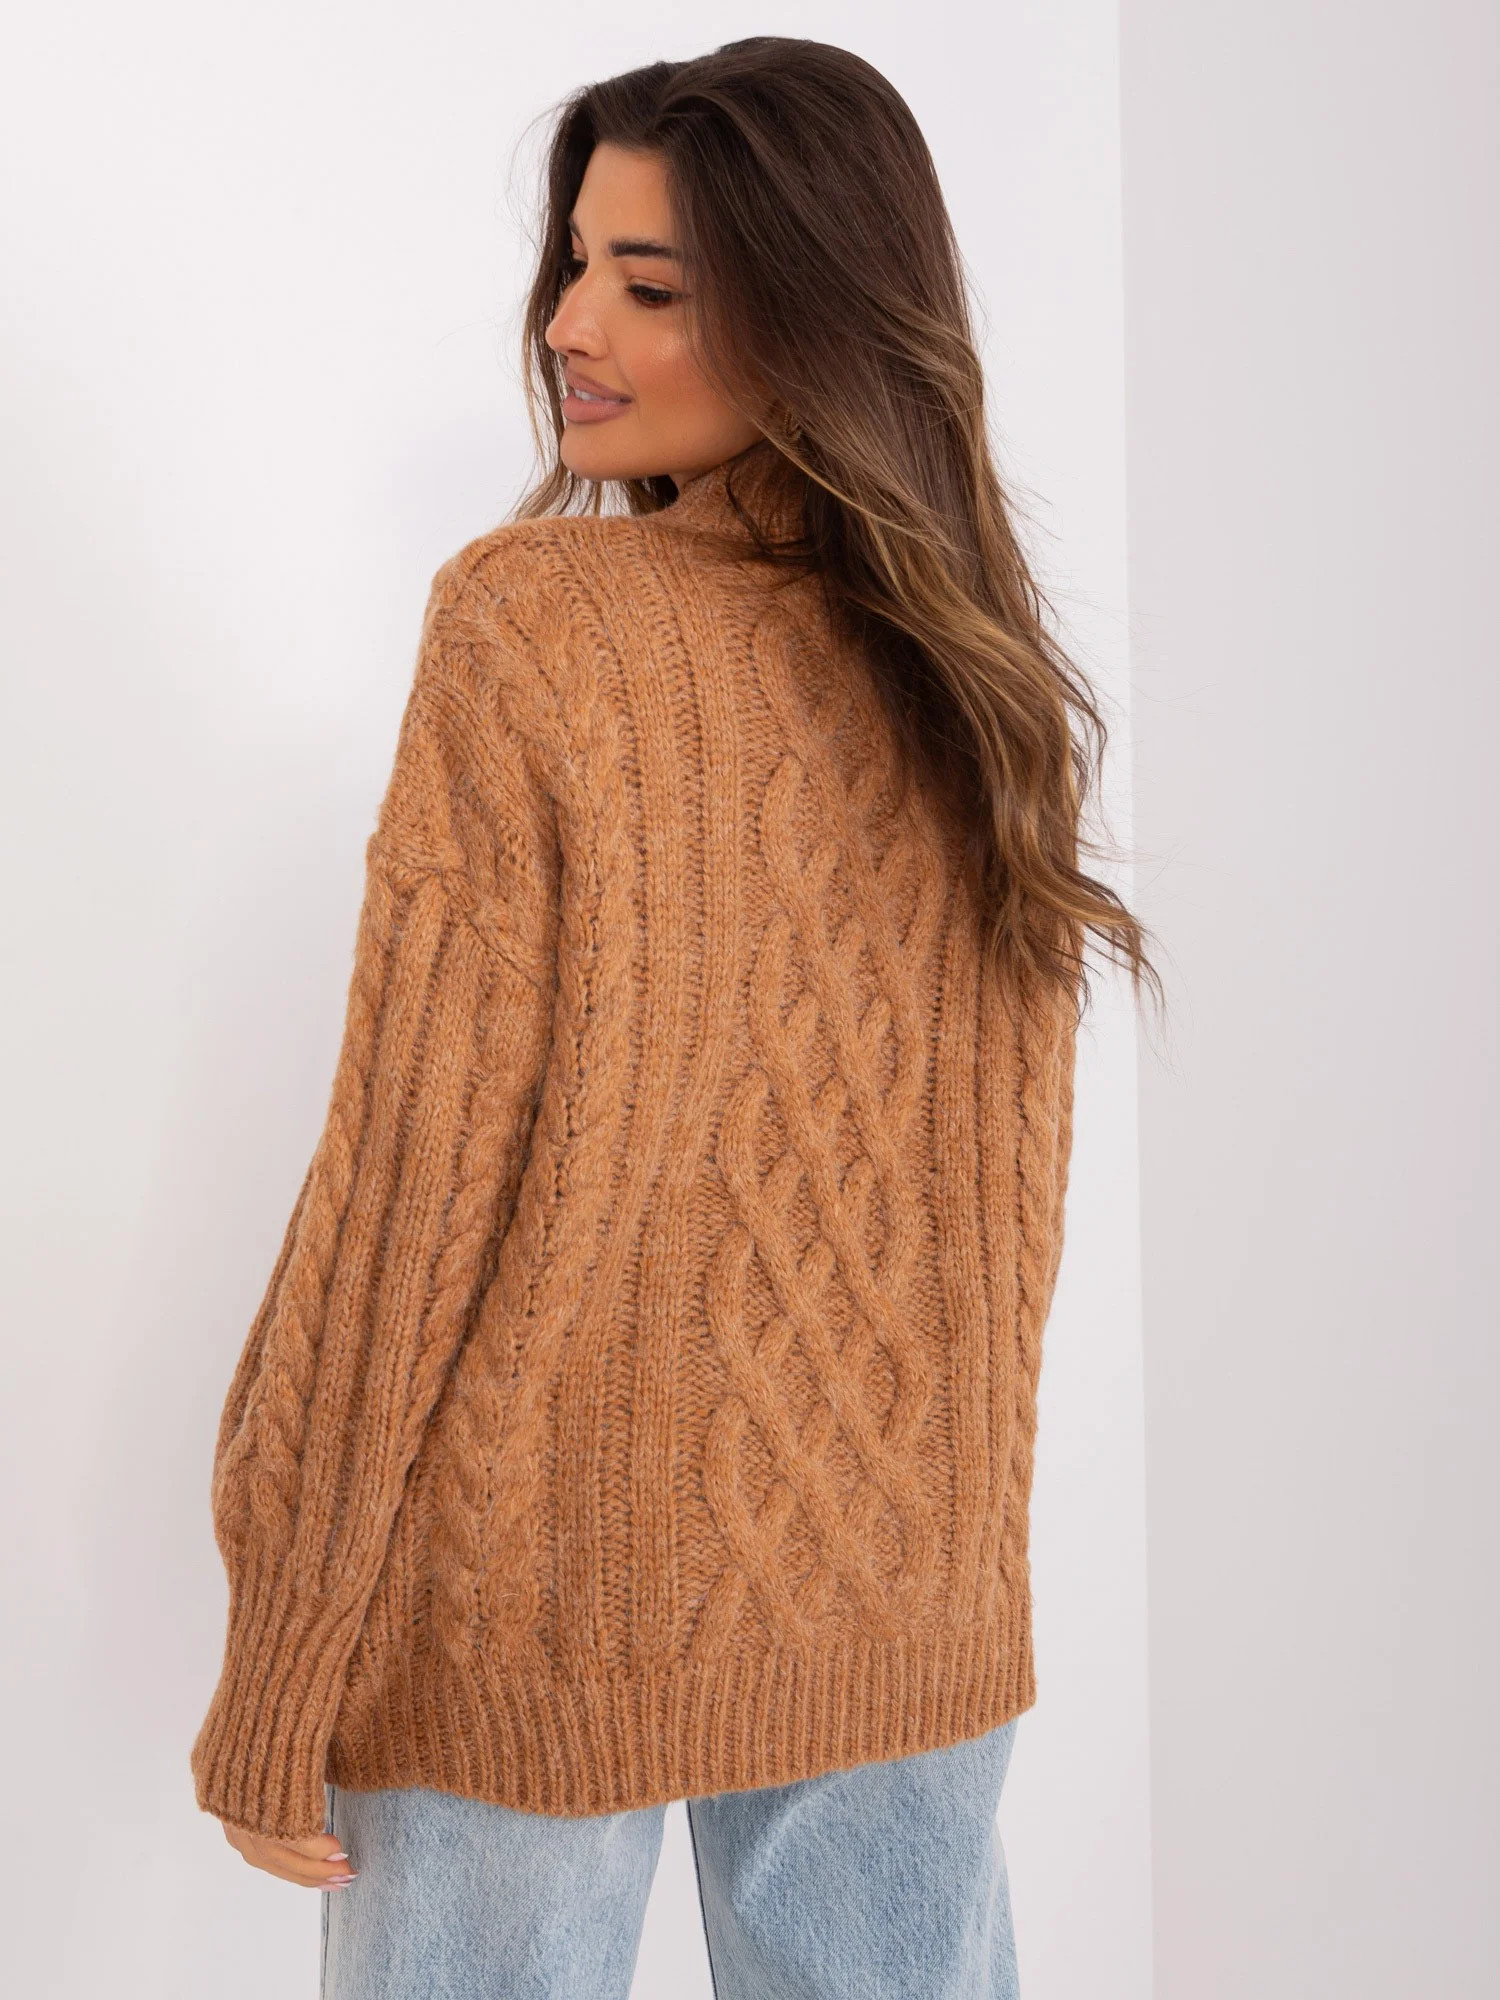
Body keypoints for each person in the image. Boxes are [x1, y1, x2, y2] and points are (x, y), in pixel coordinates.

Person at [189, 36, 1154, 2000]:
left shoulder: (536, 628)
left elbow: (411, 1186)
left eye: (650, 284)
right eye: (574, 264)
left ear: (814, 309)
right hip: (906, 1589)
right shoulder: (981, 682)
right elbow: (997, 1233)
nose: (569, 324)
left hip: (533, 1588)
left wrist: (283, 1646)